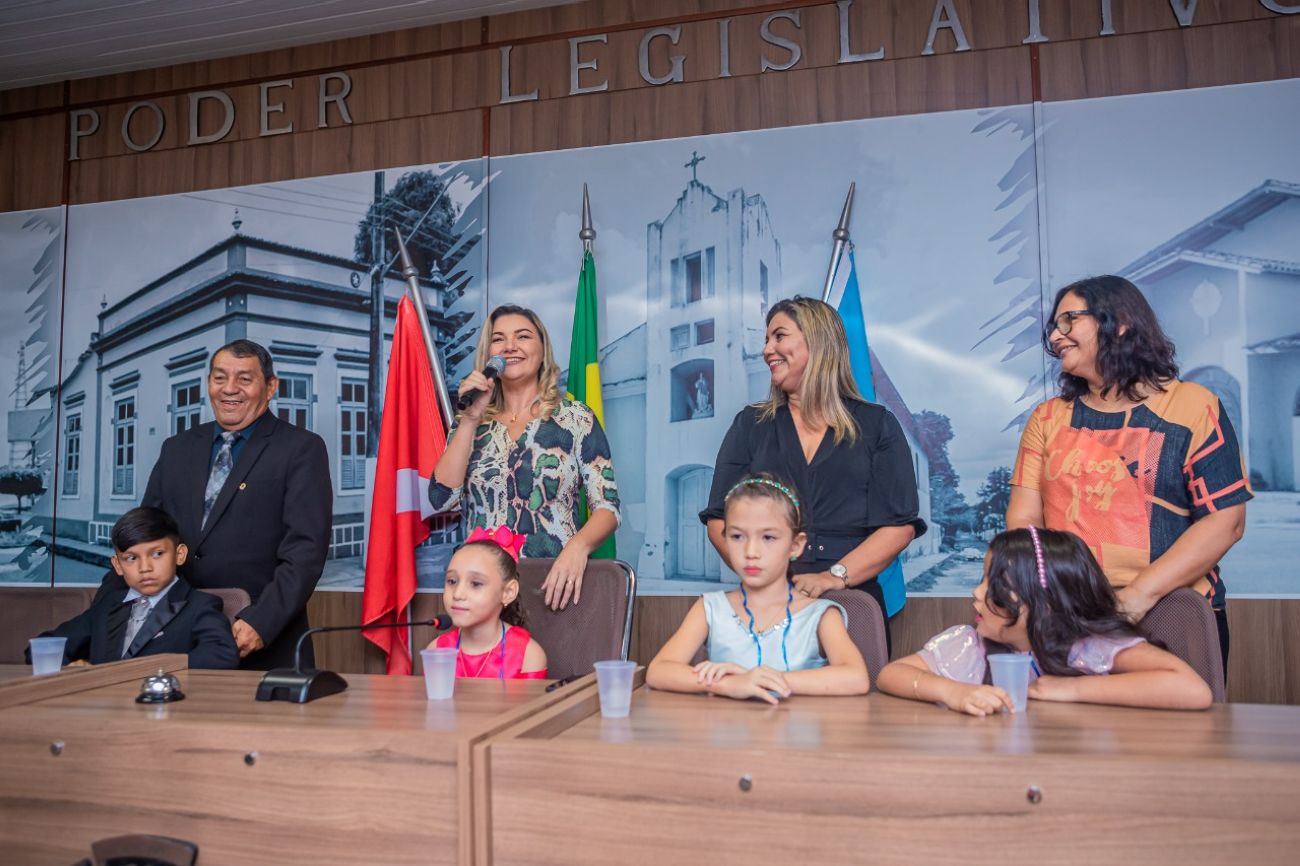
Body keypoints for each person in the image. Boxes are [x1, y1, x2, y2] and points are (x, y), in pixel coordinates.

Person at [1007, 275, 1250, 668]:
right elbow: (1023, 523)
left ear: (1119, 322)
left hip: (1174, 612)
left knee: (1181, 712)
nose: (1055, 336)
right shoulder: (1048, 419)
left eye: (1069, 320)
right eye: (1053, 326)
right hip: (1068, 618)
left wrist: (1135, 597)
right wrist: (1050, 599)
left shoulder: (1193, 405)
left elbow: (1226, 521)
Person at [701, 297, 925, 649]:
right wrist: (765, 579)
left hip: (853, 602)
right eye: (766, 340)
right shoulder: (749, 425)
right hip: (767, 604)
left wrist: (834, 577)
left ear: (818, 342)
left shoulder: (877, 426)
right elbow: (719, 520)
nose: (767, 350)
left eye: (779, 336)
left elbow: (899, 526)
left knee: (854, 685)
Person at [142, 339, 332, 670]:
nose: (230, 389)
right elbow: (143, 537)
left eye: (244, 379)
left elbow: (305, 552)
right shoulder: (176, 449)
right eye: (220, 378)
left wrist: (261, 621)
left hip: (259, 638)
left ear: (270, 387)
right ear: (209, 383)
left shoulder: (301, 449)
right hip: (176, 636)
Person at [877, 527, 1212, 715]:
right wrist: (953, 692)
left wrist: (1070, 688)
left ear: (1047, 604)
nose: (976, 593)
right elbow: (891, 674)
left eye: (994, 585)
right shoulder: (969, 645)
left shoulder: (1091, 648)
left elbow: (1193, 690)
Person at [430, 304, 620, 611]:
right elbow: (441, 499)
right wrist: (470, 419)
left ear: (543, 350)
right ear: (488, 354)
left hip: (555, 588)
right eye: (498, 339)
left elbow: (608, 508)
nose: (510, 346)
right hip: (482, 595)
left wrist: (578, 548)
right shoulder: (470, 422)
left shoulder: (576, 418)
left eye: (523, 336)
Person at [647, 474, 870, 704]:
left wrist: (759, 681)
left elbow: (856, 678)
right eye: (737, 536)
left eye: (768, 537)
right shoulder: (710, 608)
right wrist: (728, 684)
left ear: (795, 545)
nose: (751, 551)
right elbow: (659, 670)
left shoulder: (820, 614)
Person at [33, 507, 238, 670]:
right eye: (131, 558)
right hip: (107, 704)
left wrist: (150, 668)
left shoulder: (200, 605)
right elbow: (44, 645)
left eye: (157, 554)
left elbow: (222, 654)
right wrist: (70, 668)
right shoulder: (108, 605)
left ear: (179, 555)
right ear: (118, 566)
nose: (145, 567)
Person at [427, 526, 548, 680]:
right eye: (452, 581)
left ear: (508, 592)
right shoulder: (436, 652)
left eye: (476, 584)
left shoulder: (528, 657)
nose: (457, 594)